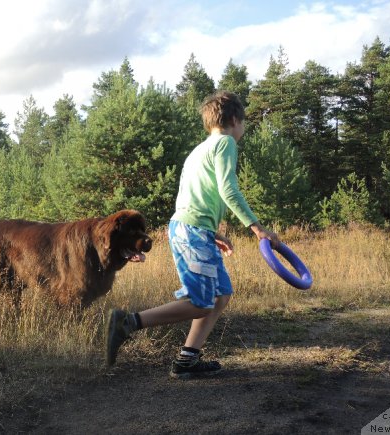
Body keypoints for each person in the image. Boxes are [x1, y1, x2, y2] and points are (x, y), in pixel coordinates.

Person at [105, 90, 280, 379]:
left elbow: (192, 196)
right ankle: (129, 323)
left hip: (194, 229)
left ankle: (187, 360)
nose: (243, 129)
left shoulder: (201, 149)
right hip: (191, 230)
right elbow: (229, 190)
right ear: (235, 119)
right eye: (244, 122)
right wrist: (256, 227)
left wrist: (210, 232)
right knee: (200, 302)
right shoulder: (225, 143)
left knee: (221, 295)